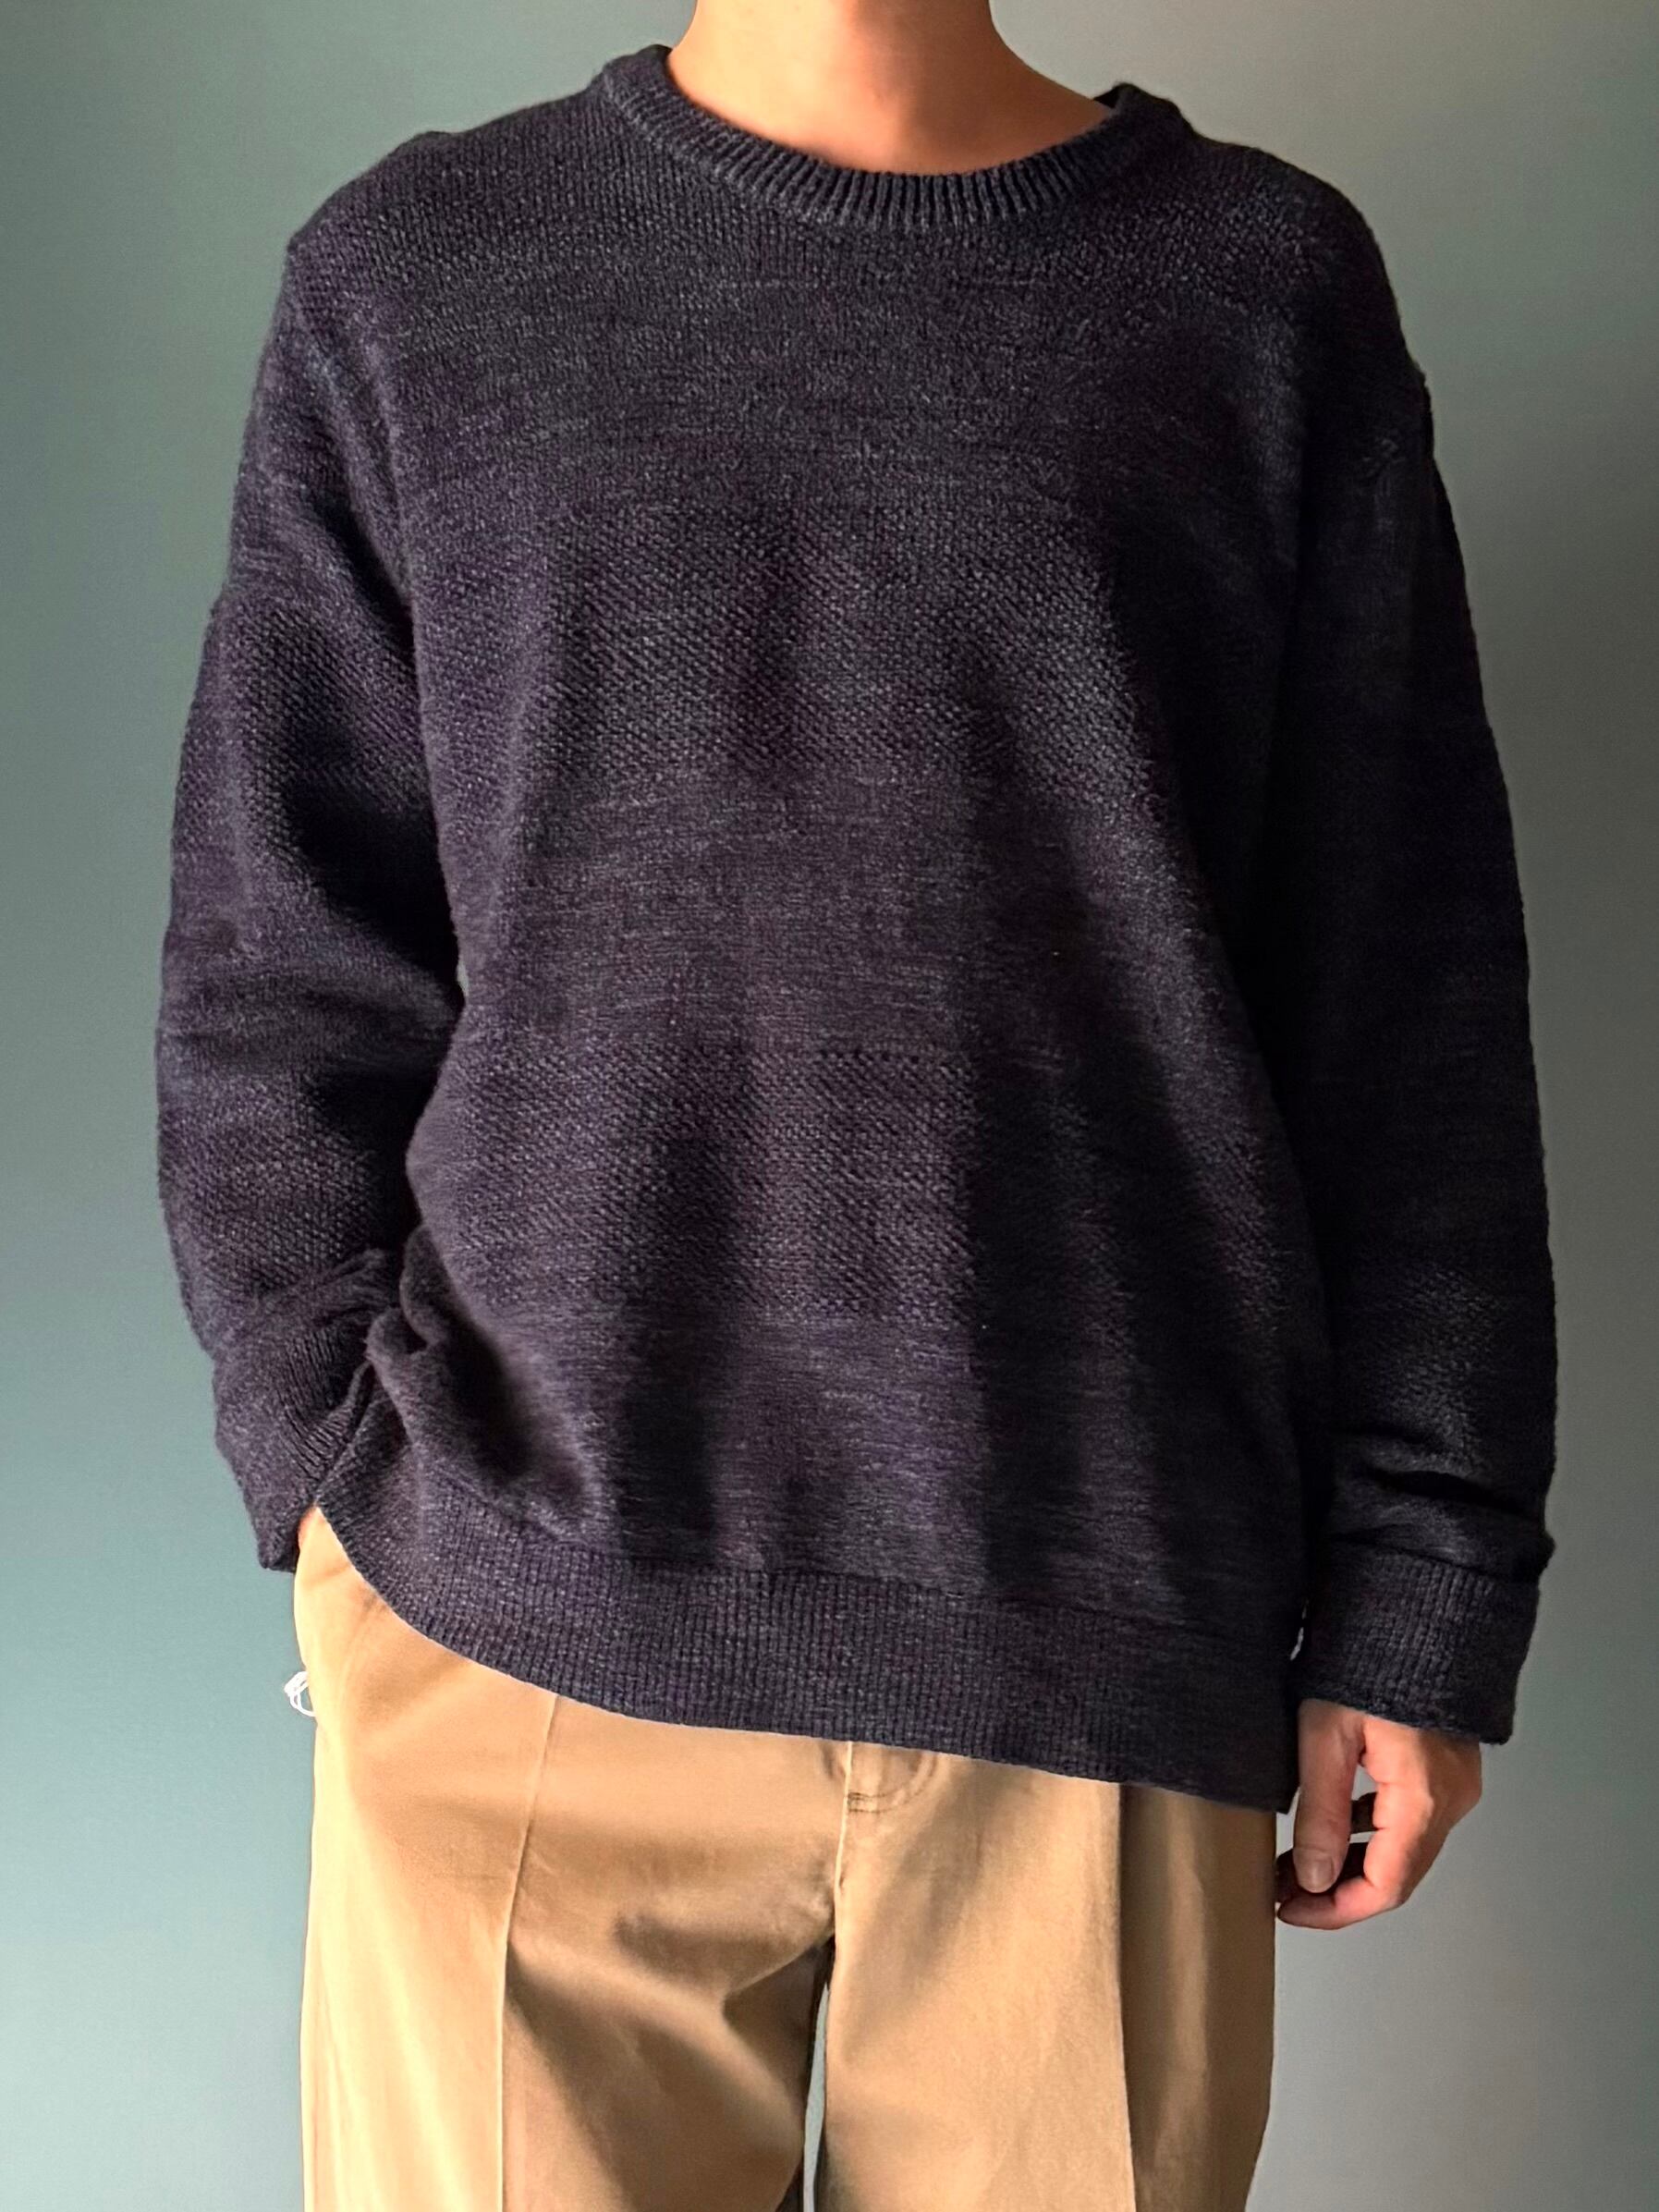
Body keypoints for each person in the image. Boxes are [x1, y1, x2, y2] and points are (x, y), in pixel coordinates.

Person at [152, 6, 1559, 2206]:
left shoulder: (1257, 288)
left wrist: (1421, 1587)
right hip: (524, 1631)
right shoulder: (419, 273)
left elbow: (1405, 994)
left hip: (1099, 1637)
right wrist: (331, 1480)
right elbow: (283, 945)